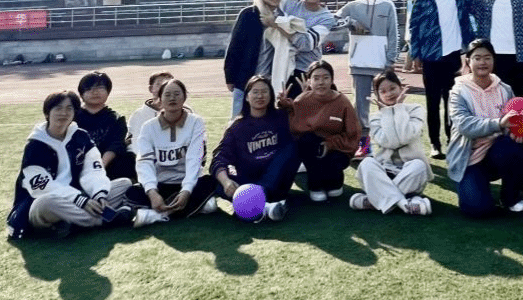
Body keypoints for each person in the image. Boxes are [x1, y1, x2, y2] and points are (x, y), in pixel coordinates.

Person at [7, 90, 134, 239]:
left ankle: (73, 224)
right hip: (46, 203)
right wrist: (80, 200)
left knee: (124, 184)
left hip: (79, 197)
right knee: (45, 203)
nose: (64, 113)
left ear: (75, 113)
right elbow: (41, 187)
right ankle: (105, 220)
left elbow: (93, 170)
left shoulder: (81, 136)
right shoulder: (35, 145)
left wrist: (99, 195)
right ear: (47, 113)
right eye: (58, 108)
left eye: (69, 108)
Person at [408, 0, 485, 159]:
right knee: (432, 102)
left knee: (452, 101)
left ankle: (453, 139)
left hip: (453, 55)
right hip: (431, 56)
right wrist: (415, 53)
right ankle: (435, 143)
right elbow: (414, 25)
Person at [446, 39, 523, 216]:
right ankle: (478, 186)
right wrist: (499, 123)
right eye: (477, 58)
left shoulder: (505, 89)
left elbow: (515, 120)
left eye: (487, 57)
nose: (483, 62)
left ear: (494, 60)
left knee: (513, 147)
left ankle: (510, 196)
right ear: (468, 61)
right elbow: (465, 126)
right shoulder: (458, 92)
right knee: (477, 209)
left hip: (497, 151)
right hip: (470, 157)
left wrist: (519, 130)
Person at [126, 78, 218, 227]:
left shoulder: (195, 122)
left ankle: (157, 215)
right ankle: (193, 208)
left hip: (187, 182)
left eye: (177, 94)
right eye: (167, 95)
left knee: (210, 183)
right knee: (132, 191)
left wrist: (186, 191)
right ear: (159, 99)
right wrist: (152, 192)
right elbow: (144, 162)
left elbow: (194, 159)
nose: (172, 98)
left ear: (184, 98)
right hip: (160, 184)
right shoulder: (148, 127)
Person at [210, 75, 299, 222]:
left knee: (292, 148)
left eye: (264, 91)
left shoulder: (281, 117)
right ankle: (266, 207)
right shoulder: (237, 127)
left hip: (276, 181)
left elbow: (301, 130)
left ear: (271, 95)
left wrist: (293, 106)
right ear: (246, 96)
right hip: (248, 180)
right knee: (218, 182)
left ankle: (252, 200)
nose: (260, 96)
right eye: (255, 92)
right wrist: (226, 182)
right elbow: (219, 157)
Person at [337, 0, 400, 160]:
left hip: (381, 65)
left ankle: (392, 145)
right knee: (360, 109)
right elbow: (333, 21)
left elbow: (394, 34)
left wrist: (390, 59)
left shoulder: (387, 5)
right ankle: (364, 146)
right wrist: (350, 23)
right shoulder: (352, 6)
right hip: (359, 64)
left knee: (388, 106)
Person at [351, 69, 434, 215]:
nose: (388, 94)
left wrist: (398, 108)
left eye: (392, 88)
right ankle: (404, 204)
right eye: (383, 91)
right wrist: (388, 112)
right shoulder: (375, 118)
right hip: (384, 170)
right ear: (378, 95)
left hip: (409, 173)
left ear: (400, 88)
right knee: (366, 163)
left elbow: (405, 137)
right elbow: (390, 143)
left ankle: (375, 200)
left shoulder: (416, 109)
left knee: (419, 165)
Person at [280, 59, 361, 202]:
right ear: (309, 81)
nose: (321, 82)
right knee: (307, 141)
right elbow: (294, 128)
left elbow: (353, 134)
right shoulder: (302, 100)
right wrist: (285, 107)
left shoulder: (342, 102)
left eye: (325, 78)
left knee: (335, 191)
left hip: (336, 149)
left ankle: (335, 180)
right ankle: (315, 185)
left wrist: (330, 144)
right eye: (316, 78)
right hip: (313, 150)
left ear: (332, 80)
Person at [224, 0, 288, 116]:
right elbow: (235, 46)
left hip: (271, 82)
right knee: (239, 120)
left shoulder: (283, 17)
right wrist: (230, 77)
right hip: (246, 78)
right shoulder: (249, 14)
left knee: (267, 120)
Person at [277, 0, 337, 98]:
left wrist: (277, 25)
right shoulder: (290, 3)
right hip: (282, 64)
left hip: (305, 68)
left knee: (303, 105)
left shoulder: (326, 17)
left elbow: (305, 44)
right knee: (280, 104)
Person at [75, 71, 138, 181]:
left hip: (107, 166)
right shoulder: (73, 117)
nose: (95, 92)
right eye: (89, 88)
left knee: (129, 159)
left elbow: (115, 145)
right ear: (81, 94)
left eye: (100, 87)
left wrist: (100, 167)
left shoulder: (116, 118)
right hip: (76, 163)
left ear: (108, 92)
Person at [126, 71, 174, 152]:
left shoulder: (186, 112)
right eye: (159, 84)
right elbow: (132, 144)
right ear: (151, 89)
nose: (164, 88)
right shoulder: (139, 115)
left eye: (168, 84)